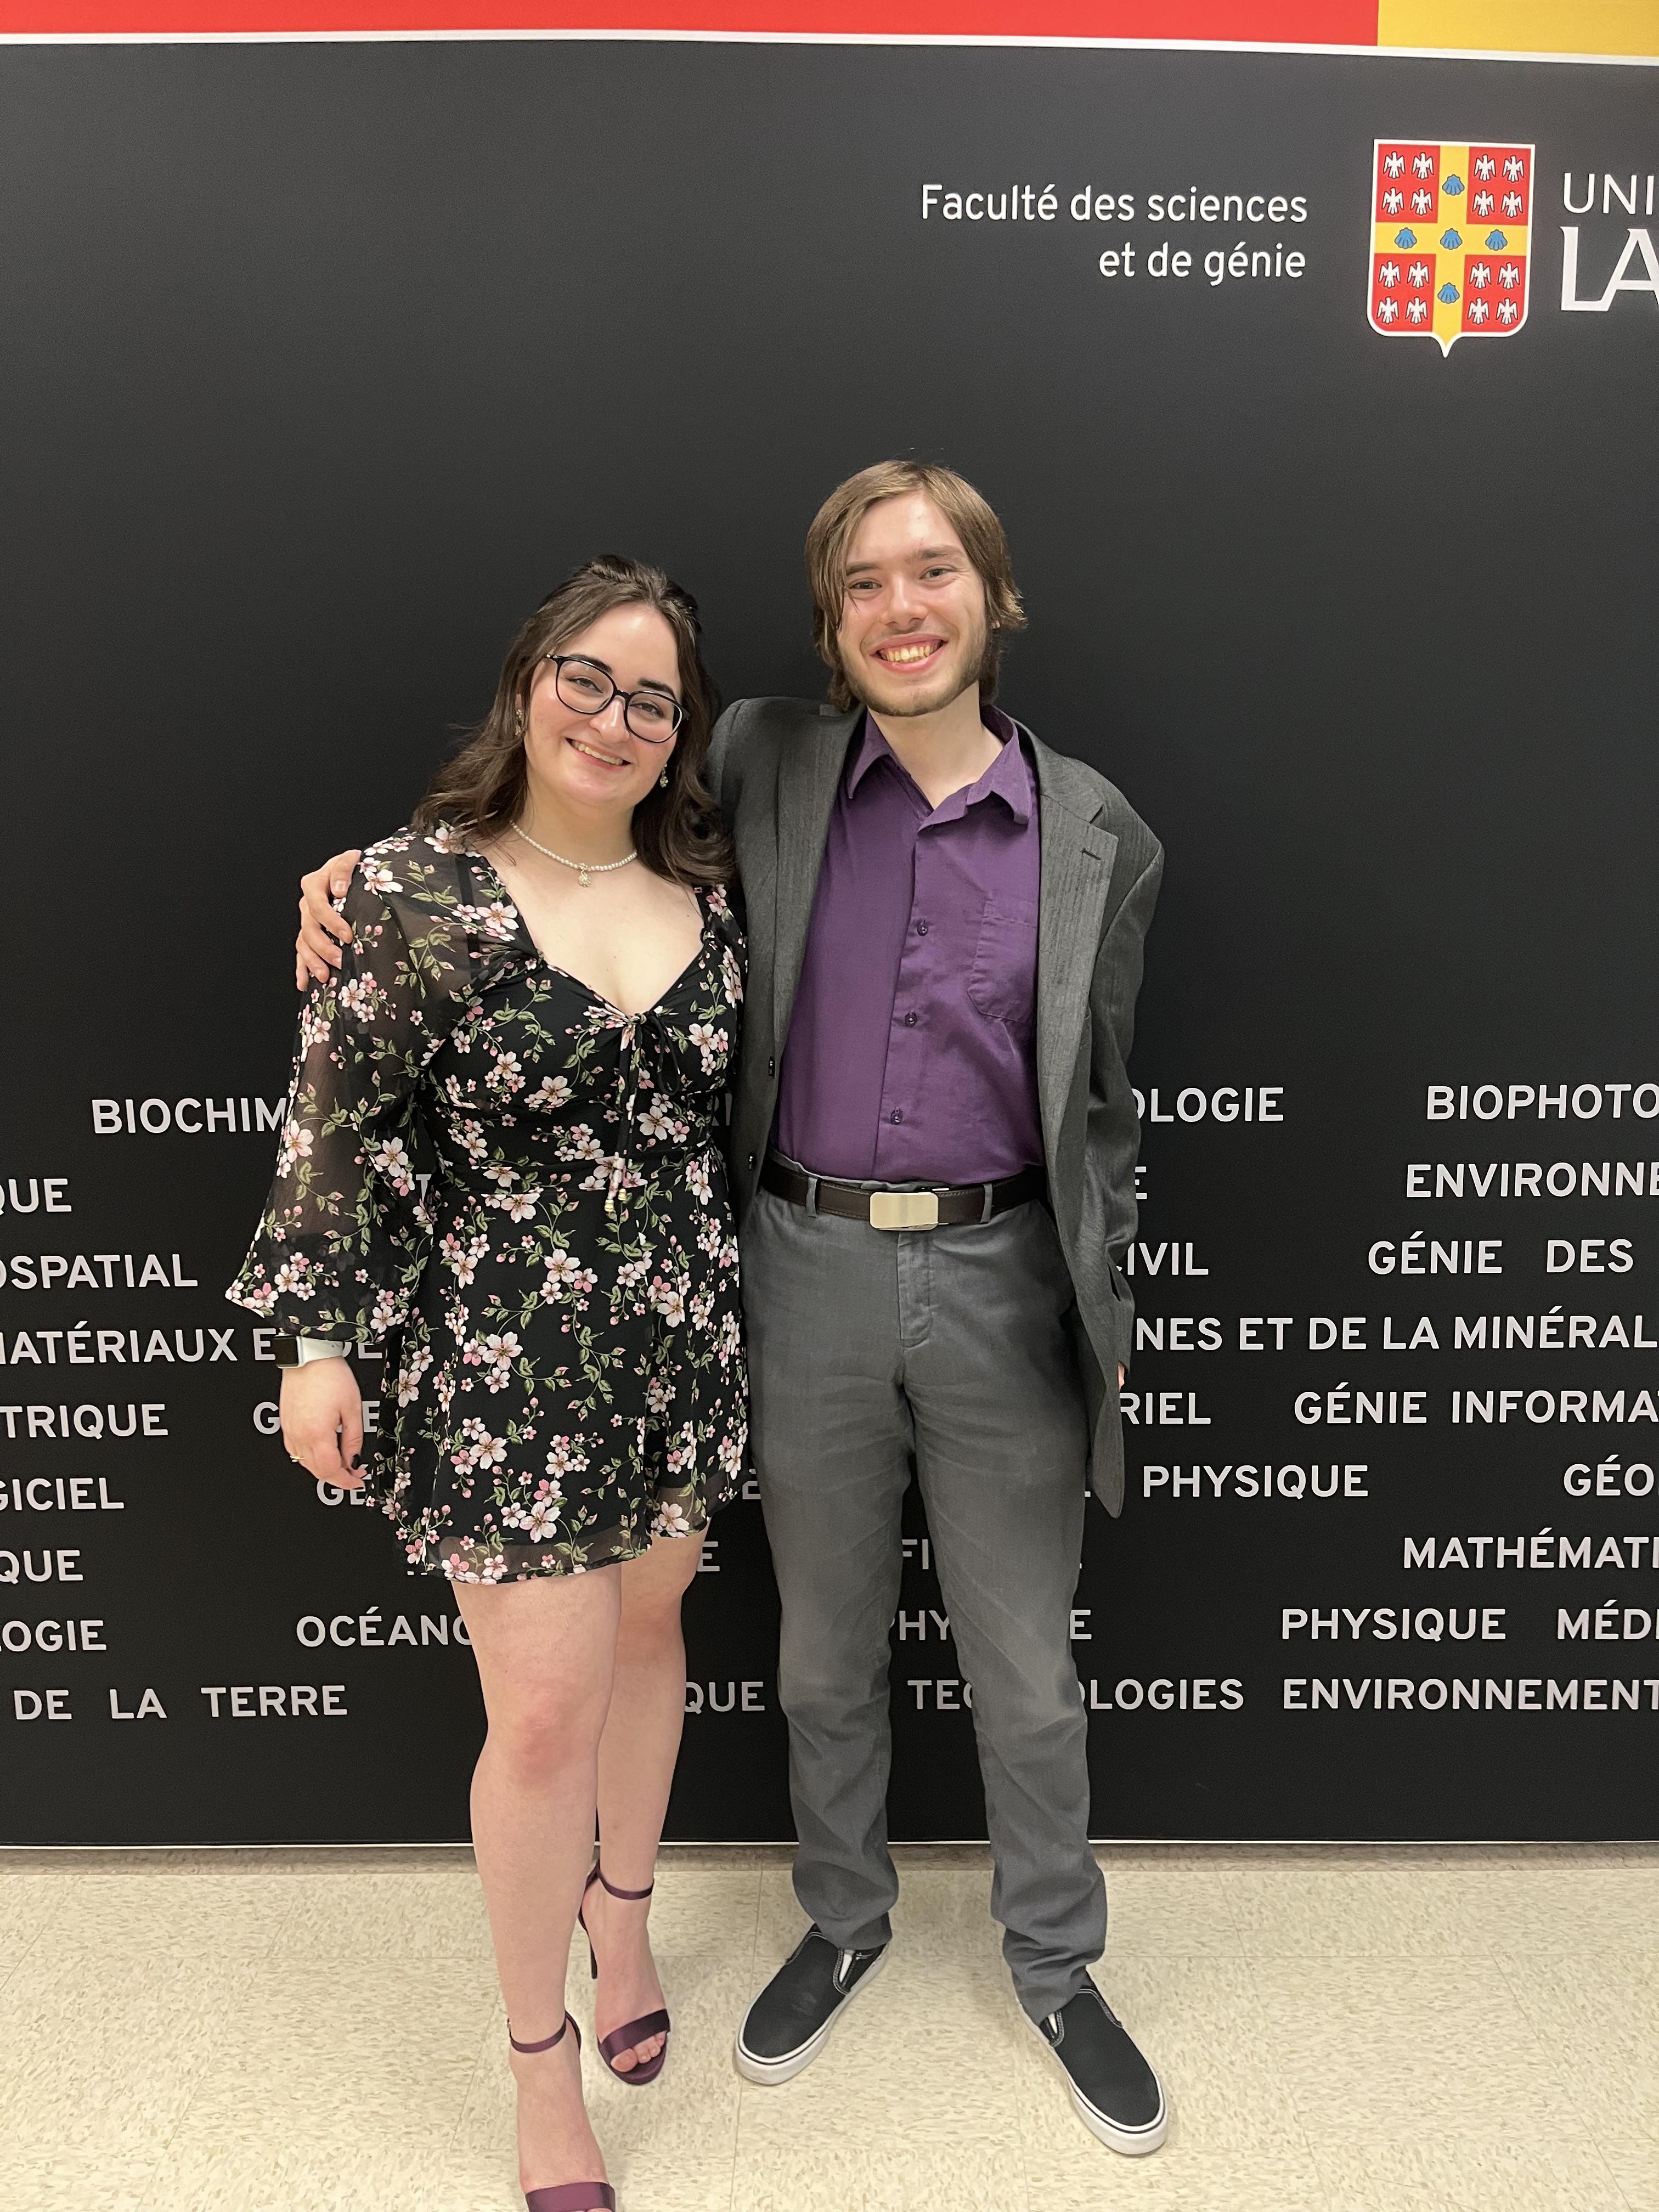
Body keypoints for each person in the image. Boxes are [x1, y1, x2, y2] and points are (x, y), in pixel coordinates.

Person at [297, 461, 1167, 2159]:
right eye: (863, 583)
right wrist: (351, 886)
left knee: (1024, 1667)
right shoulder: (763, 762)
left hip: (1003, 1275)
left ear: (991, 595)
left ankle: (1058, 1965)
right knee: (822, 1652)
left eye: (933, 572)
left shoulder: (1101, 835)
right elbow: (550, 832)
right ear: (830, 623)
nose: (902, 610)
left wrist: (1094, 1283)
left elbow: (1107, 1104)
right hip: (797, 1269)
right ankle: (840, 1922)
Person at [239, 555, 747, 2212]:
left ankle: (626, 1920)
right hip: (501, 1362)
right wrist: (316, 1342)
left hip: (678, 1344)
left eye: (652, 698)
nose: (614, 718)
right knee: (538, 1717)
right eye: (586, 680)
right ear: (530, 686)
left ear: (681, 734)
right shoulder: (401, 890)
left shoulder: (718, 892)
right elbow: (335, 1126)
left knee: (654, 1637)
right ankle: (540, 2065)